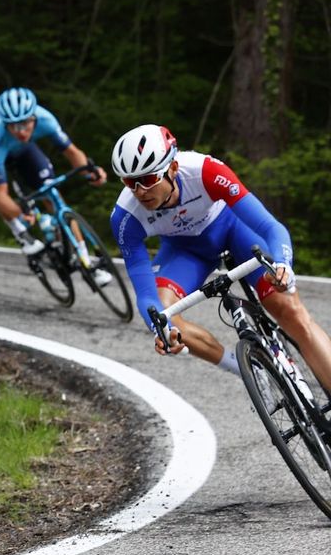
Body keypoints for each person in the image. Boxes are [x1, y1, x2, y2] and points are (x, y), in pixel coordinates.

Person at [108, 123, 331, 392]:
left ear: (173, 168)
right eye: (131, 182)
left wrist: (283, 264)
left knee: (291, 311)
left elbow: (271, 228)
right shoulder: (125, 217)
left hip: (234, 230)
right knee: (164, 317)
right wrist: (161, 331)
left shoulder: (205, 171)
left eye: (149, 179)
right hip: (187, 252)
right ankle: (246, 370)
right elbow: (145, 294)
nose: (140, 190)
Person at [0, 87, 111, 284]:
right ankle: (21, 234)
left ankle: (85, 261)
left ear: (34, 118)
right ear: (5, 124)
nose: (21, 131)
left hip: (23, 151)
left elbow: (72, 152)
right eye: (14, 126)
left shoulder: (45, 119)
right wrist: (20, 213)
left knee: (53, 196)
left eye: (25, 124)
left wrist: (91, 172)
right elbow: (0, 193)